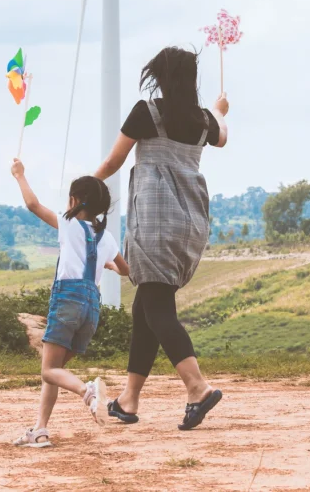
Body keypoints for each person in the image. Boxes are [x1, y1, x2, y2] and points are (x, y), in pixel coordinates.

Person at [94, 46, 229, 431]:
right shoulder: (204, 121)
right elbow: (223, 135)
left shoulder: (146, 112)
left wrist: (88, 186)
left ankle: (197, 387)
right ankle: (128, 399)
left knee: (157, 307)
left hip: (155, 220)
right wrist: (219, 109)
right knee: (146, 308)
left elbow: (114, 162)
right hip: (191, 220)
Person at [10, 159, 130, 448]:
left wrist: (20, 176)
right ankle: (40, 430)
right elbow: (125, 270)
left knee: (49, 370)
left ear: (74, 201)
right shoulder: (107, 237)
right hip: (92, 307)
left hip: (68, 299)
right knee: (54, 372)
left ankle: (86, 391)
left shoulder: (67, 222)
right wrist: (109, 266)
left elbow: (33, 205)